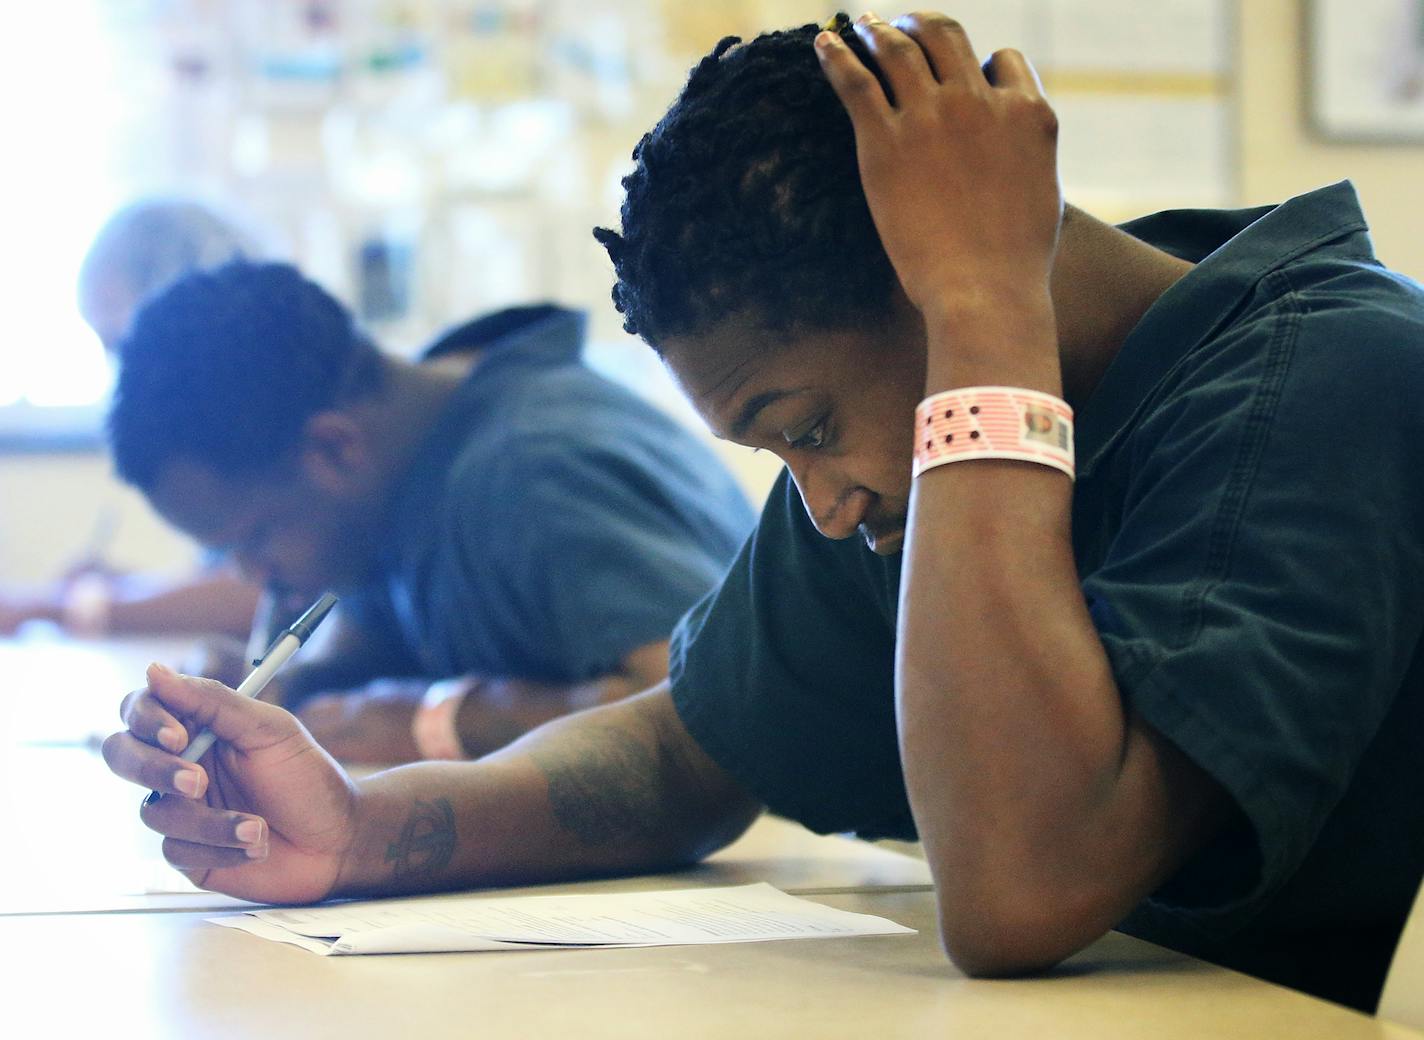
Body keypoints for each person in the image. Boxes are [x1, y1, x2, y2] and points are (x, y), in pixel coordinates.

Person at [103, 14, 1424, 1012]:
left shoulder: (1322, 382)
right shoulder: (891, 475)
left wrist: (980, 317)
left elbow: (1023, 892)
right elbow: (690, 750)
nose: (821, 494)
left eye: (804, 429)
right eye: (775, 448)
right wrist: (366, 828)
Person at [105, 259, 754, 763]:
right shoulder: (401, 474)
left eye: (257, 538)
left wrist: (431, 722)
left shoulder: (532, 472)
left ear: (333, 447)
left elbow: (707, 714)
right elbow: (382, 643)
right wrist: (284, 692)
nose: (252, 575)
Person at [0, 199, 265, 639]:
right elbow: (230, 576)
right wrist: (120, 589)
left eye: (123, 346)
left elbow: (264, 595)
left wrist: (64, 607)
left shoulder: (267, 418)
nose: (122, 376)